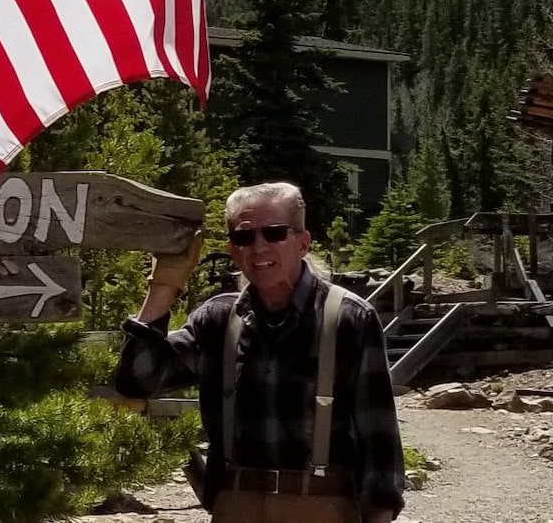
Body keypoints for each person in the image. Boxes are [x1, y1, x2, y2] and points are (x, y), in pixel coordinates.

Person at [115, 182, 404, 523]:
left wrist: (380, 515)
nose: (258, 247)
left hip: (323, 505)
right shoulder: (217, 320)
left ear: (302, 242)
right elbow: (138, 379)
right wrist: (164, 283)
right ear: (233, 250)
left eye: (275, 233)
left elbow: (379, 438)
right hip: (237, 504)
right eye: (244, 237)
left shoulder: (349, 317)